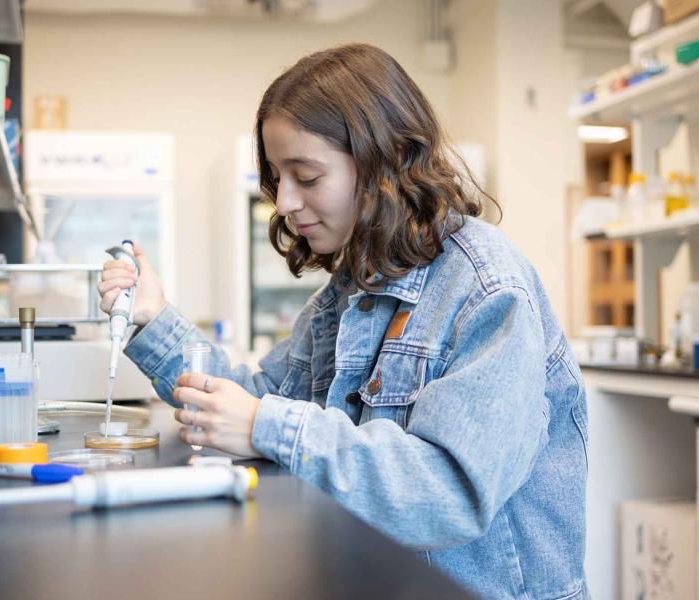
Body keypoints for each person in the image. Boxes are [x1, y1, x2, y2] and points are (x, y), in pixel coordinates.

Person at [98, 44, 588, 599]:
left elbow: (449, 494)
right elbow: (255, 400)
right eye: (277, 177)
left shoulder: (488, 291)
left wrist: (267, 425)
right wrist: (153, 318)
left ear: (385, 161)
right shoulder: (351, 289)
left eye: (306, 176)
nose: (284, 202)